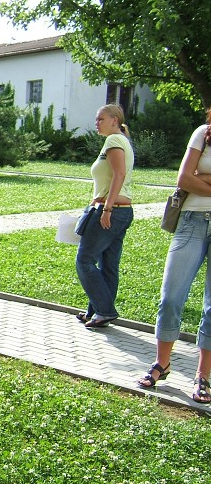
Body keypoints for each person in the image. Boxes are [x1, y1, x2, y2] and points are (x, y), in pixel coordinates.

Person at [136, 111, 211, 403]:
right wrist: (195, 178)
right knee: (170, 297)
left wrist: (201, 177)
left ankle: (203, 374)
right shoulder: (202, 134)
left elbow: (194, 178)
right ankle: (162, 363)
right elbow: (184, 179)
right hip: (191, 221)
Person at [75, 104, 134, 329]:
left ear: (114, 120)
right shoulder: (121, 141)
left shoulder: (114, 141)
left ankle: (104, 310)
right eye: (96, 119)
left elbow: (119, 174)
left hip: (112, 211)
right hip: (121, 210)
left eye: (101, 119)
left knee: (85, 260)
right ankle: (97, 311)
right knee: (108, 264)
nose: (97, 123)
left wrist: (106, 208)